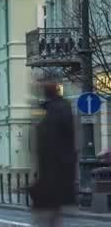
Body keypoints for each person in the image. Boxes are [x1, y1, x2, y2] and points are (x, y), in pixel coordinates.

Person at [30, 83, 76, 227]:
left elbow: (43, 140)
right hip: (61, 168)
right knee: (53, 211)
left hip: (52, 167)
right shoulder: (63, 107)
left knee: (47, 211)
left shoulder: (48, 110)